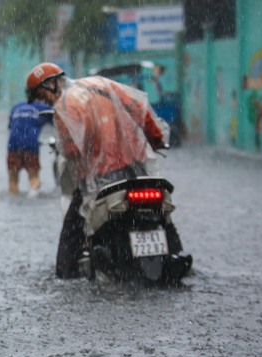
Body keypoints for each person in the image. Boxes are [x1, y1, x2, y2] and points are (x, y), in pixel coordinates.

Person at [28, 62, 180, 278]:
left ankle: (69, 272)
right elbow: (138, 108)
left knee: (72, 232)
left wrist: (70, 154)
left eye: (42, 96)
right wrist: (155, 139)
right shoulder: (101, 84)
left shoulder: (64, 106)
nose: (44, 101)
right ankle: (174, 253)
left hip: (100, 177)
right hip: (135, 167)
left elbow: (72, 150)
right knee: (160, 211)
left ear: (51, 85)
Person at [6, 63, 58, 197]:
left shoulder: (16, 107)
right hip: (31, 145)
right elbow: (58, 124)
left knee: (13, 181)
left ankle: (14, 197)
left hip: (13, 144)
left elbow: (11, 127)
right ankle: (32, 196)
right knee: (34, 177)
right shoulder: (43, 108)